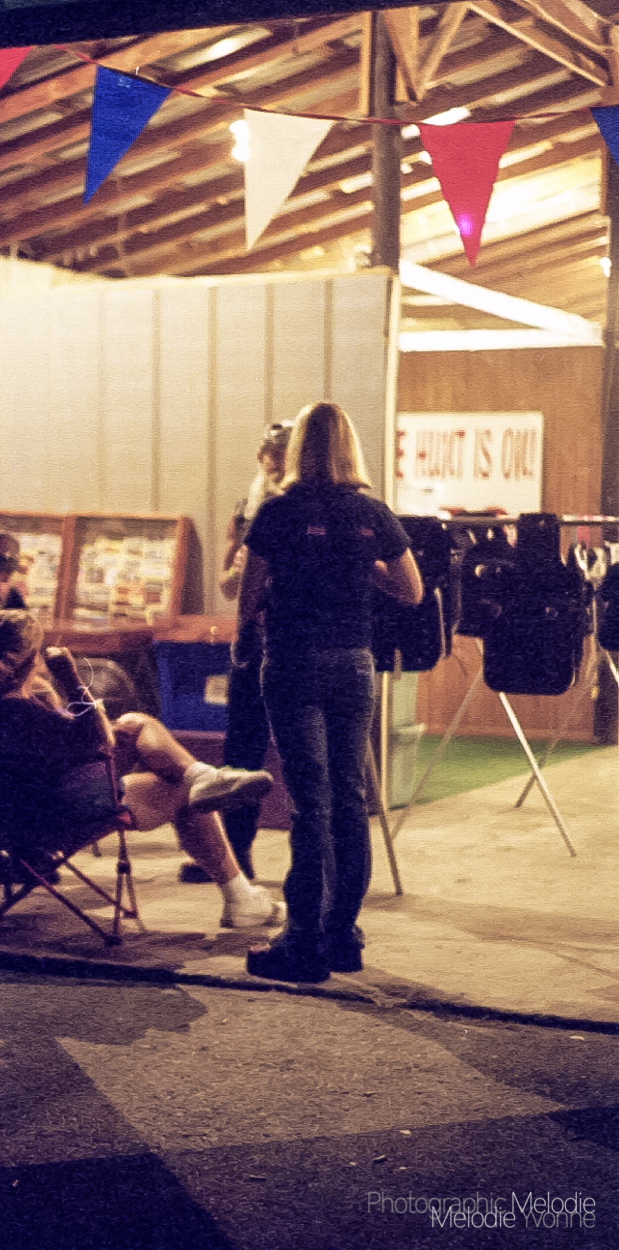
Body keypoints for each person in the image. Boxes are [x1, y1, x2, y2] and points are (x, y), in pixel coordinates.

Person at [236, 402, 423, 982]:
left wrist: (247, 635)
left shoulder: (277, 511)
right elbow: (411, 591)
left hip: (292, 661)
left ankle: (302, 943)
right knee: (349, 797)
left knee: (310, 803)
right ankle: (342, 936)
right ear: (350, 448)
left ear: (298, 449)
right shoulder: (371, 512)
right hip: (353, 663)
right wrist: (363, 566)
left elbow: (248, 593)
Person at [0, 608, 287, 930]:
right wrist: (70, 680)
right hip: (61, 816)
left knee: (134, 724)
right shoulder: (19, 710)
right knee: (186, 790)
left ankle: (203, 779)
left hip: (13, 815)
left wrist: (47, 696)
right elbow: (99, 739)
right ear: (30, 659)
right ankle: (240, 896)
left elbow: (70, 742)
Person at [179, 419, 292, 885]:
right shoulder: (247, 509)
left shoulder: (307, 505)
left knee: (301, 750)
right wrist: (243, 566)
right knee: (242, 750)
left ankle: (313, 868)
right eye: (268, 455)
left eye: (281, 455)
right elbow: (228, 587)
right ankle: (235, 854)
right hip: (253, 641)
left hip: (297, 639)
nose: (273, 464)